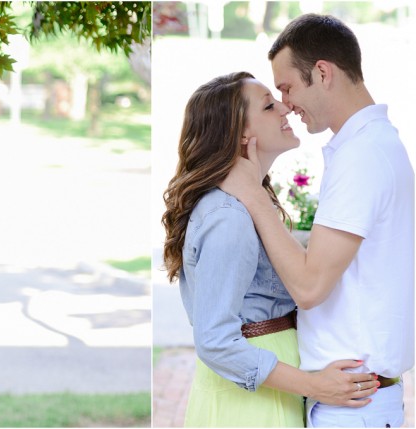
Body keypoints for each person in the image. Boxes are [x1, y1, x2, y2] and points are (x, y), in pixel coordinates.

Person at [220, 14, 414, 428]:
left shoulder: (362, 155)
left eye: (287, 88)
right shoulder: (372, 146)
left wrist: (253, 194)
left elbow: (309, 287)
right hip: (354, 399)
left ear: (322, 73)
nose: (286, 103)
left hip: (352, 404)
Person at [162, 72, 378, 427]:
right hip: (251, 404)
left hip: (269, 387)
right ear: (240, 133)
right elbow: (215, 341)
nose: (285, 108)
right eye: (268, 105)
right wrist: (316, 386)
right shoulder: (228, 217)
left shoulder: (244, 206)